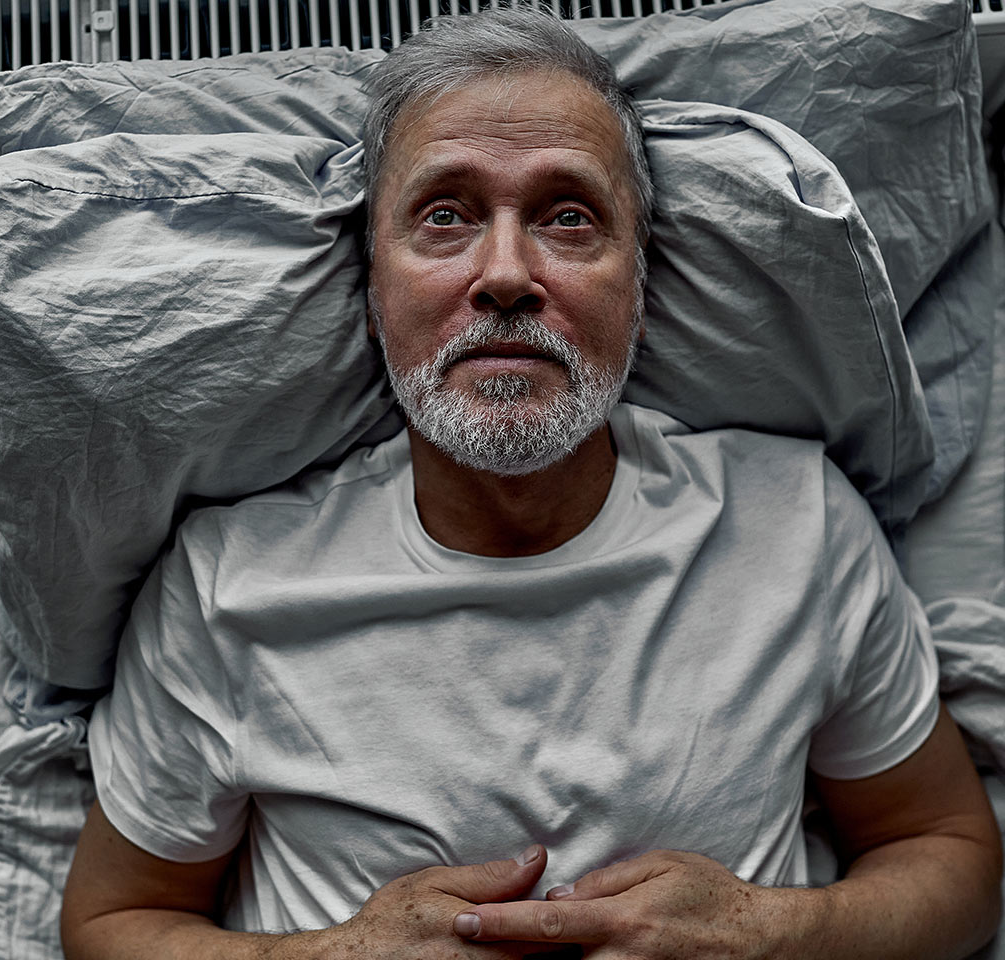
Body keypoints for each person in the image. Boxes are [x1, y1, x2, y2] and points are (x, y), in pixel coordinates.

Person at [58, 7, 1003, 959]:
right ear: (373, 284)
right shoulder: (227, 586)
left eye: (568, 217)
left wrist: (769, 935)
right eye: (445, 216)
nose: (505, 273)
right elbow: (107, 926)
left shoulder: (796, 526)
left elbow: (954, 862)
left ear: (638, 280)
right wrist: (331, 956)